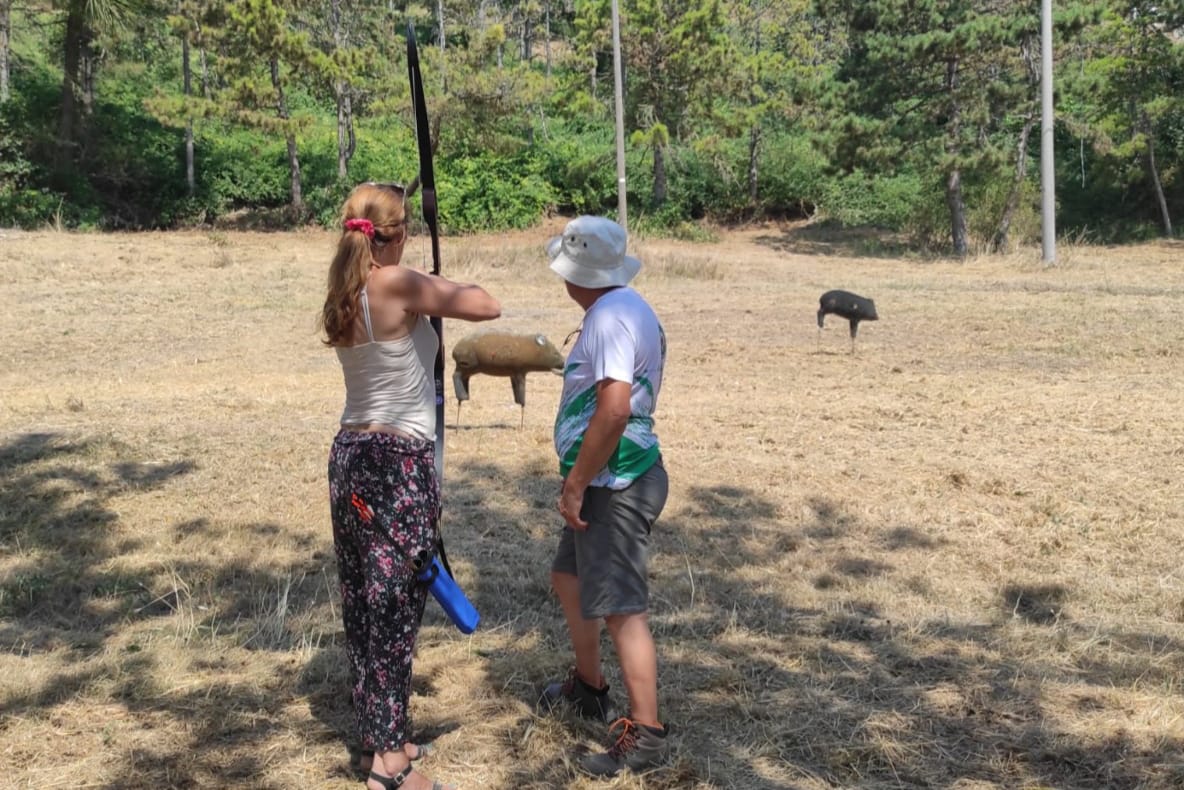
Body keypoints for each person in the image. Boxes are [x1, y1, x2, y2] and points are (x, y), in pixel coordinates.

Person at [321, 182, 501, 790]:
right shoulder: (396, 282)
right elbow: (486, 305)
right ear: (395, 237)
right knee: (395, 611)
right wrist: (432, 280)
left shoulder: (344, 286)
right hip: (397, 460)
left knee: (366, 606)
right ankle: (390, 768)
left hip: (352, 452)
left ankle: (382, 735)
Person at [538, 215, 671, 778]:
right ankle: (590, 688)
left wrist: (574, 483)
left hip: (614, 483)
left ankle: (645, 733)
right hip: (602, 480)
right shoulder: (620, 308)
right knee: (569, 578)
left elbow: (615, 409)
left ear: (577, 276)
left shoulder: (611, 319)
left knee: (622, 608)